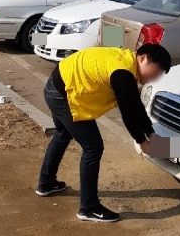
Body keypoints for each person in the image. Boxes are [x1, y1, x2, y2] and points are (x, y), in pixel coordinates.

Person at [37, 43, 172, 223]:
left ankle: (46, 183)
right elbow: (128, 113)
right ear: (143, 58)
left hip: (58, 84)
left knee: (63, 134)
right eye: (156, 72)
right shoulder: (123, 73)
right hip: (64, 93)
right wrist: (143, 142)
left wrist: (151, 132)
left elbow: (135, 104)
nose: (155, 78)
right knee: (93, 148)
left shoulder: (126, 63)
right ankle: (89, 207)